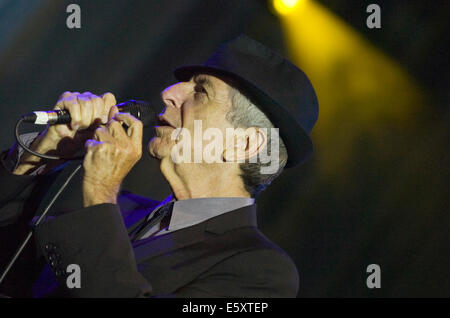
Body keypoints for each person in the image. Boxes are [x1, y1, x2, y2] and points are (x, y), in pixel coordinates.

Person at [0, 35, 318, 297]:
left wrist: (99, 192)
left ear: (244, 144)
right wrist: (36, 157)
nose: (168, 94)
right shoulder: (120, 210)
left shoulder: (259, 271)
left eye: (201, 91)